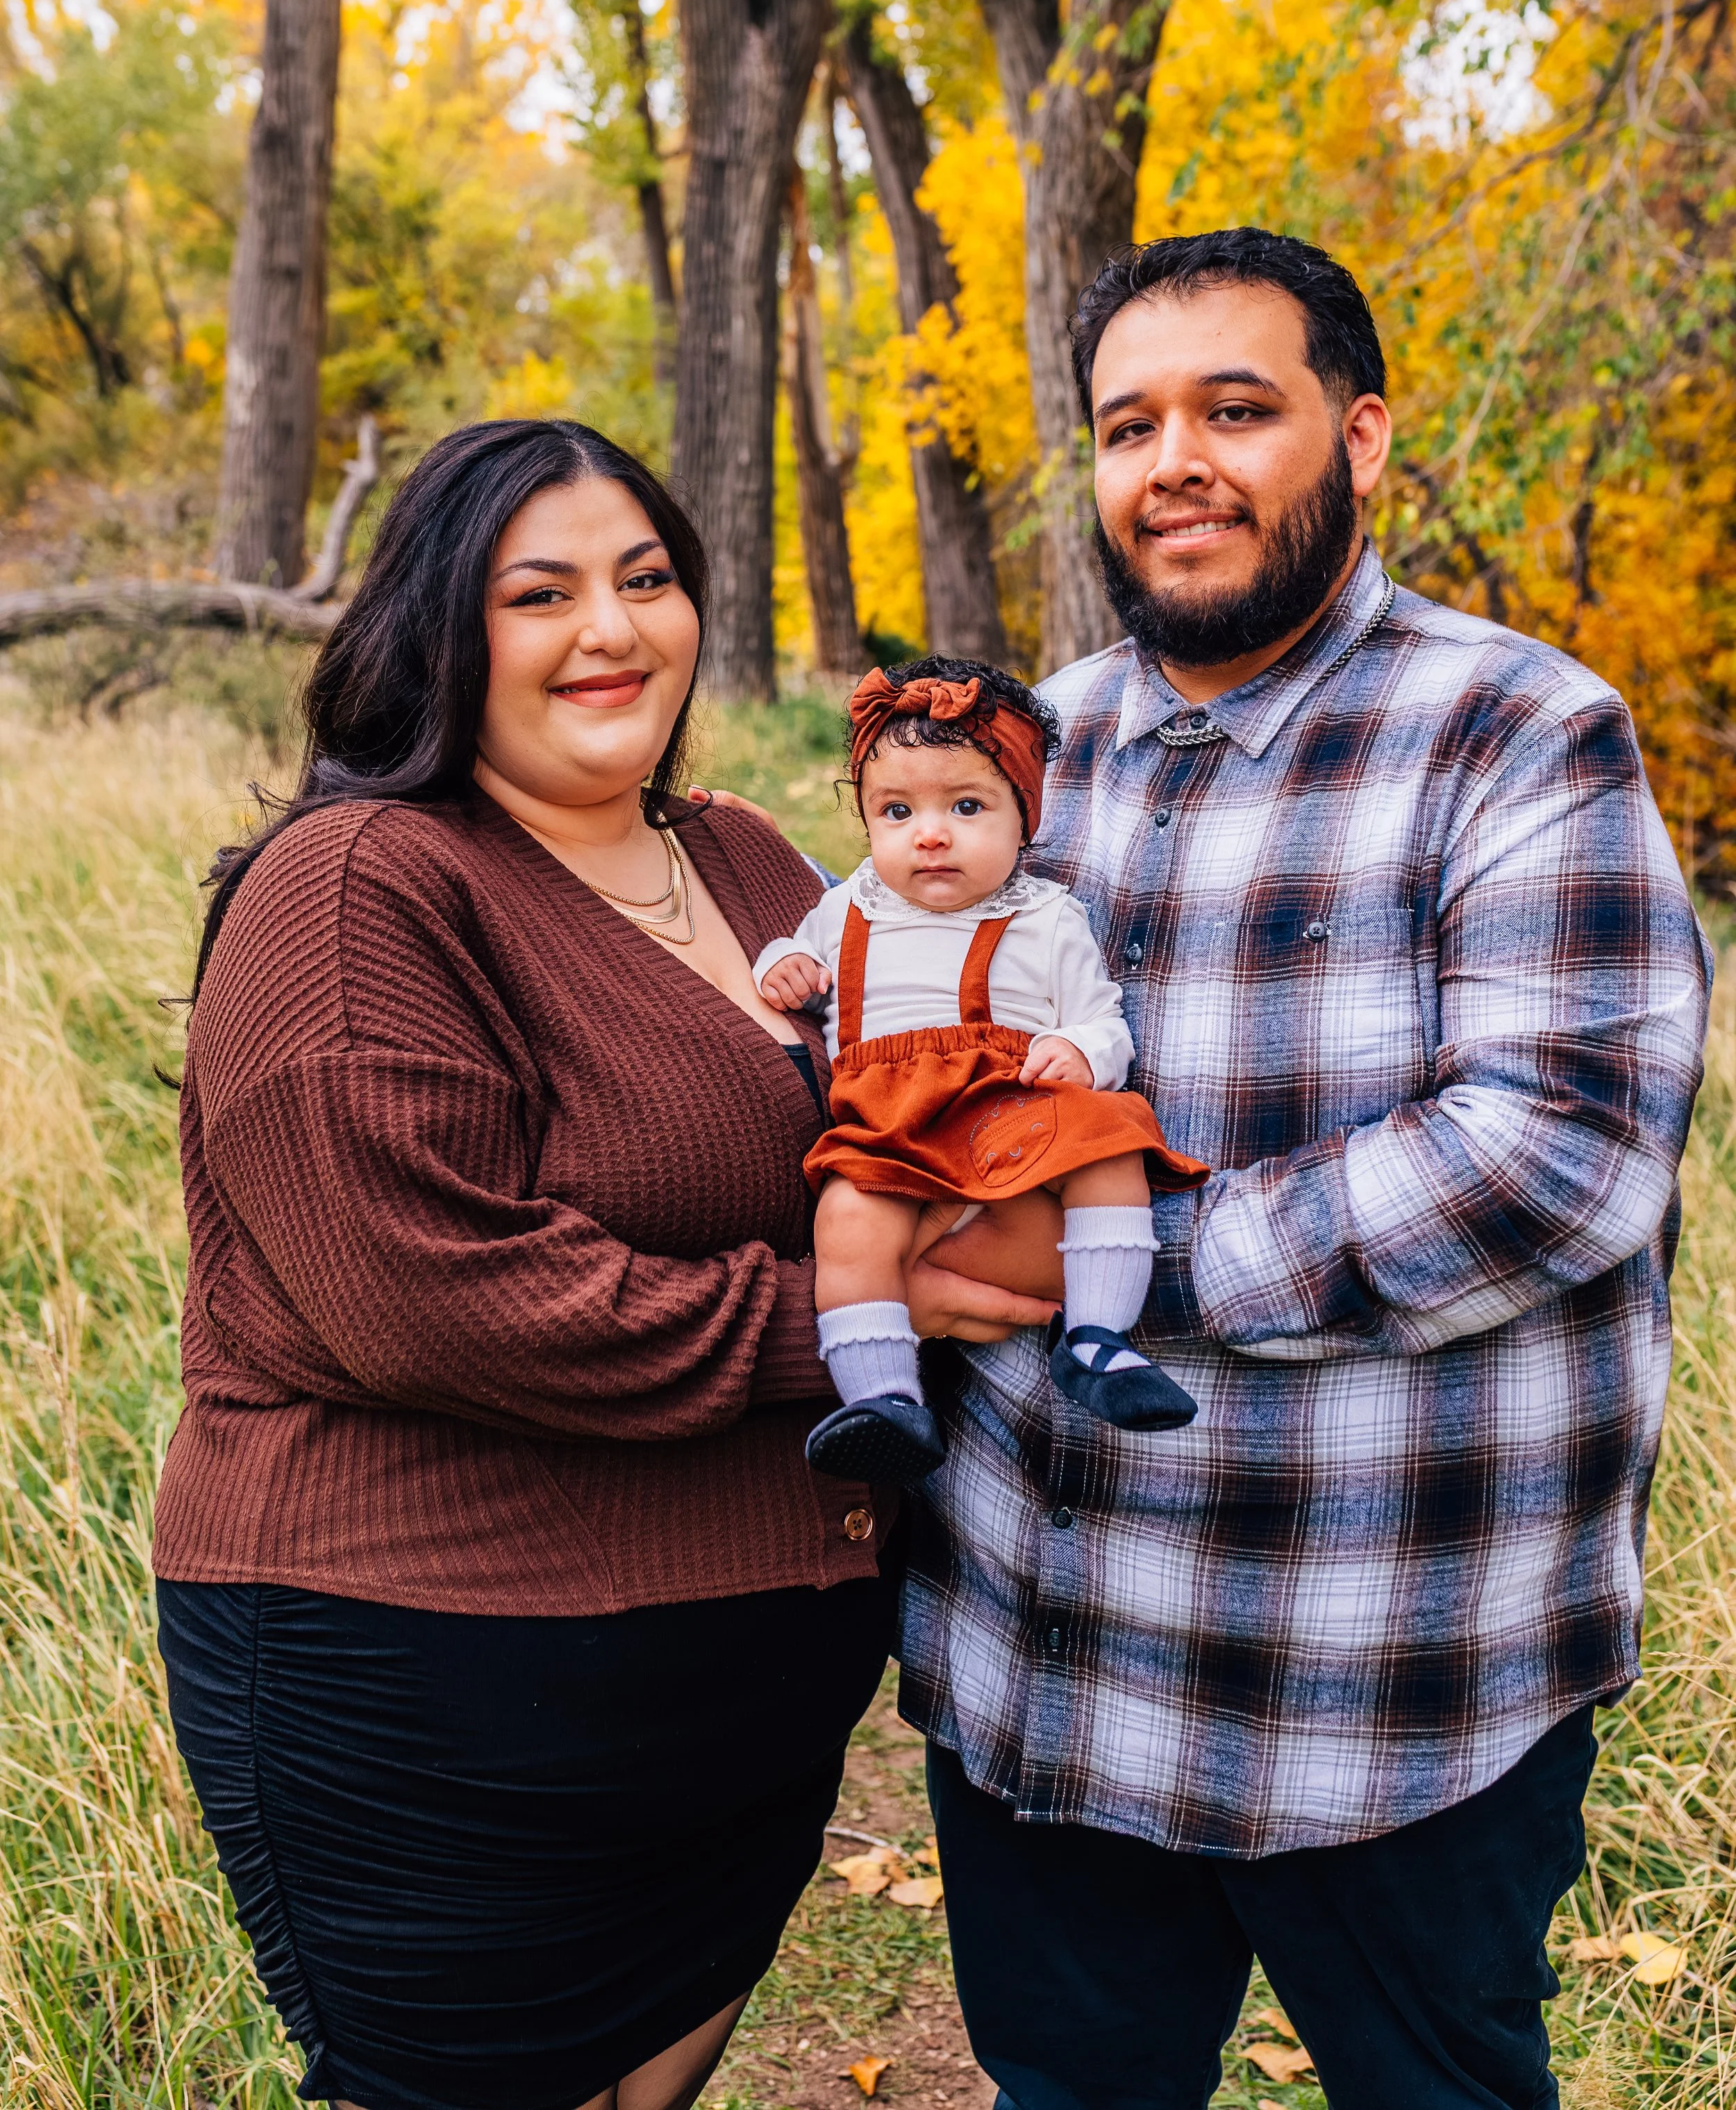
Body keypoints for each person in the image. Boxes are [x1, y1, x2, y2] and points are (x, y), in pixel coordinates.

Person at [900, 229, 1713, 2110]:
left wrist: (1108, 1267)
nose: (1171, 458)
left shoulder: (1516, 727)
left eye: (1232, 409)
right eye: (1127, 423)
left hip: (1380, 1677)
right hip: (1043, 1659)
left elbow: (1555, 1149)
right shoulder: (1033, 749)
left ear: (1356, 441)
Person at [153, 417, 1054, 2110]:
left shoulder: (743, 857)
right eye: (539, 590)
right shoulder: (360, 884)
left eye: (647, 578)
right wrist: (859, 1311)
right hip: (440, 1689)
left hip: (740, 1704)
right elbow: (424, 1291)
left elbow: (903, 1106)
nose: (611, 629)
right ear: (436, 626)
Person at [756, 659, 1207, 1488]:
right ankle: (882, 1398)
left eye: (966, 807)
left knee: (1111, 1139)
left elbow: (1102, 1020)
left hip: (1009, 1113)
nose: (929, 834)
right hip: (888, 1129)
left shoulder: (1043, 917)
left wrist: (1079, 1052)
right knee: (848, 1221)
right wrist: (780, 959)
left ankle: (1098, 1337)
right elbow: (791, 964)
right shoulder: (843, 910)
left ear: (1023, 820)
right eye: (896, 812)